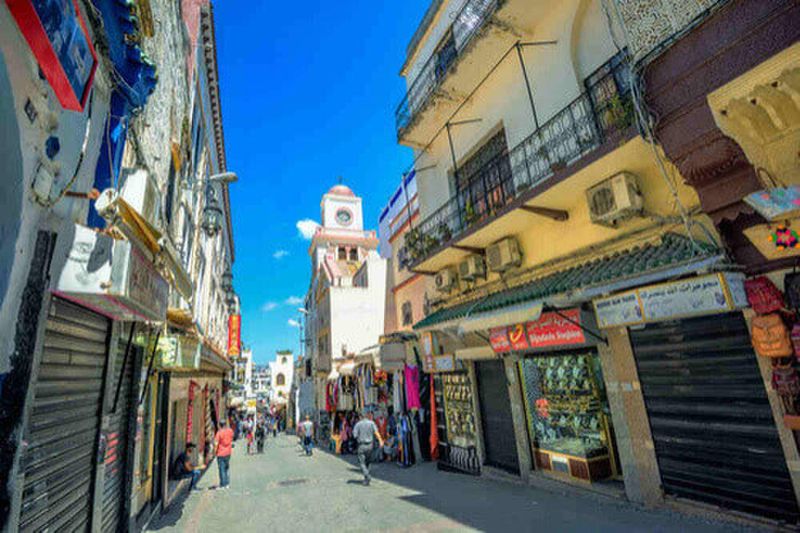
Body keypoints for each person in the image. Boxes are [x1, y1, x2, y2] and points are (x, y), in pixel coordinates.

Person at [352, 412, 384, 486]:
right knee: (368, 462)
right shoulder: (371, 423)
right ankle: (366, 479)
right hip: (370, 445)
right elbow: (376, 433)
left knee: (362, 463)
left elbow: (354, 435)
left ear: (360, 417)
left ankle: (367, 476)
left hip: (361, 445)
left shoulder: (358, 424)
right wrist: (380, 441)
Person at [214, 420, 234, 489]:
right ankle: (227, 483)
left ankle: (223, 484)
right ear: (225, 424)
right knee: (226, 468)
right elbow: (232, 438)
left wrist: (214, 452)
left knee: (221, 469)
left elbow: (216, 443)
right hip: (228, 452)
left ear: (220, 425)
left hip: (220, 453)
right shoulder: (230, 431)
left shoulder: (219, 433)